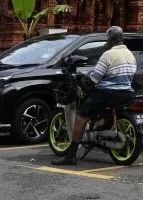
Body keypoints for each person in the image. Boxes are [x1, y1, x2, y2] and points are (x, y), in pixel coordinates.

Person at [52, 26, 135, 166]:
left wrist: (85, 80)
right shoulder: (130, 55)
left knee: (80, 118)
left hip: (107, 92)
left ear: (111, 39)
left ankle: (70, 156)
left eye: (107, 39)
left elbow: (95, 79)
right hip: (126, 92)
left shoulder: (108, 55)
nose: (106, 42)